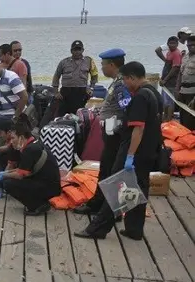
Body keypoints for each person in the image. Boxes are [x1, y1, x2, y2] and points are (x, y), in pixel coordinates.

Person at [75, 62, 164, 241]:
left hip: (134, 149)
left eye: (124, 79)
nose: (123, 83)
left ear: (131, 77)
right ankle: (134, 229)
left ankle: (98, 228)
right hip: (149, 151)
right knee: (139, 188)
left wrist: (129, 156)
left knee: (117, 188)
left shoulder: (140, 97)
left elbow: (138, 130)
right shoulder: (155, 93)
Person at [74, 48, 132, 215]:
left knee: (113, 171)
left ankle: (114, 209)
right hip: (111, 133)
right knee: (107, 170)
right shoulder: (117, 82)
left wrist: (118, 129)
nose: (102, 68)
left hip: (116, 134)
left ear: (112, 65)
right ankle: (101, 204)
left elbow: (126, 109)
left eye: (103, 65)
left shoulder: (121, 84)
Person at [0, 116, 62, 216]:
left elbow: (20, 175)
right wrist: (5, 173)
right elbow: (23, 170)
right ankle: (39, 201)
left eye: (13, 138)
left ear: (21, 137)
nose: (11, 142)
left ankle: (37, 205)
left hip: (49, 187)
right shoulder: (33, 143)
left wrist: (4, 175)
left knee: (8, 184)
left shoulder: (29, 150)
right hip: (48, 183)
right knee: (8, 180)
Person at [52, 40, 99, 116]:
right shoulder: (64, 62)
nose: (77, 52)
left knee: (80, 116)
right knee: (61, 115)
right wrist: (56, 92)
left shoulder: (89, 61)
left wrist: (91, 88)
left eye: (79, 49)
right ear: (71, 51)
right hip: (66, 92)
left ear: (83, 50)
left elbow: (94, 75)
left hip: (82, 92)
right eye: (75, 49)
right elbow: (56, 76)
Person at [177, 35, 195, 130]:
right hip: (183, 91)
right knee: (183, 120)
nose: (191, 47)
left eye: (193, 45)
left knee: (191, 121)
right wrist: (177, 90)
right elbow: (180, 74)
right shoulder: (185, 57)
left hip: (192, 93)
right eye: (189, 45)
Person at [160, 36, 183, 105]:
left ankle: (169, 116)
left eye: (174, 43)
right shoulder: (169, 52)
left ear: (177, 44)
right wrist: (162, 78)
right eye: (170, 43)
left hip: (172, 81)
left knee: (170, 101)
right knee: (165, 100)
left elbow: (175, 69)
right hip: (166, 80)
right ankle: (165, 115)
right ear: (167, 44)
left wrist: (165, 80)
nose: (172, 45)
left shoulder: (176, 53)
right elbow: (166, 66)